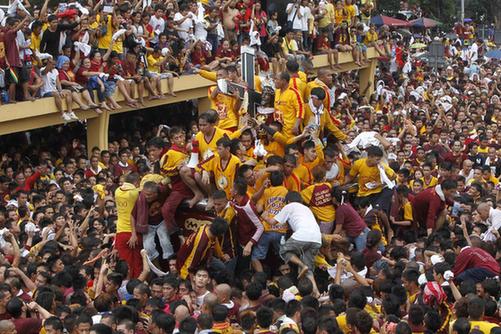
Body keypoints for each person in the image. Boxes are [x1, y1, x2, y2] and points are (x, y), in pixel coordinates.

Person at [264, 191, 322, 296]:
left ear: (288, 201)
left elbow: (272, 222)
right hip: (317, 239)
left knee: (283, 250)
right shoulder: (306, 208)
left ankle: (301, 265)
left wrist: (263, 216)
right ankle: (316, 292)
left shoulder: (289, 206)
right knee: (308, 270)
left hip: (303, 235)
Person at [114, 172, 142, 278]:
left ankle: (125, 288)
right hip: (133, 232)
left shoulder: (117, 191)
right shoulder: (135, 193)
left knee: (125, 264)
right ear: (136, 183)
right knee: (137, 263)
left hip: (120, 232)